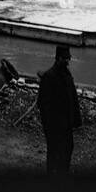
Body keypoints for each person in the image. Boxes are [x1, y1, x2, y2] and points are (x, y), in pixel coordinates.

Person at [37, 45, 82, 177]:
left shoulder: (67, 75)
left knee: (68, 149)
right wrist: (49, 124)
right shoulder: (49, 77)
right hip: (55, 125)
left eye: (69, 59)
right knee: (54, 151)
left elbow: (73, 98)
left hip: (66, 124)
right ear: (58, 59)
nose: (68, 62)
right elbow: (43, 104)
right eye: (66, 59)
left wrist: (76, 120)